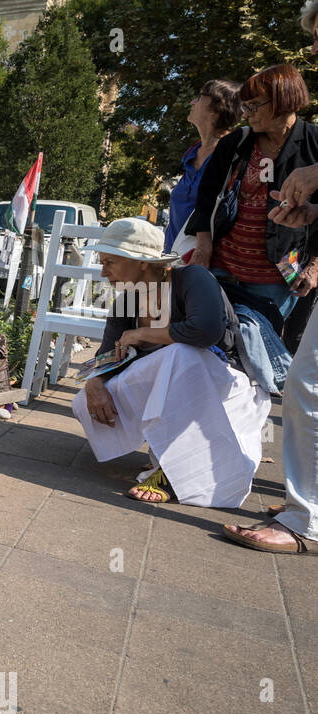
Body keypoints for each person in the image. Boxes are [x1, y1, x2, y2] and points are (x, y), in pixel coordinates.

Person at [74, 218, 271, 508]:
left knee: (182, 354)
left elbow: (205, 331)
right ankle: (165, 447)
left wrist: (142, 333)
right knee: (83, 400)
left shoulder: (191, 278)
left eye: (110, 262)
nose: (104, 273)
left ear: (141, 261)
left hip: (225, 382)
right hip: (173, 382)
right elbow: (108, 356)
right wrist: (94, 382)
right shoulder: (127, 300)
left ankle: (175, 472)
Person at [222, 6, 318, 555]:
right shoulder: (240, 146)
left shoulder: (310, 143)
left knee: (303, 383)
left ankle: (305, 520)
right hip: (236, 265)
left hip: (276, 279)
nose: (311, 51)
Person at [185, 65, 318, 342]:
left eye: (254, 105)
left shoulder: (314, 143)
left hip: (283, 269)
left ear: (283, 100)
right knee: (211, 343)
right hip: (222, 266)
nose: (246, 114)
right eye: (244, 106)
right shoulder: (238, 142)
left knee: (258, 349)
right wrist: (203, 246)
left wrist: (315, 265)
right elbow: (207, 196)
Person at [165, 80, 242, 254]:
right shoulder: (191, 153)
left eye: (199, 98)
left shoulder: (234, 157)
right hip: (173, 258)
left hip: (208, 264)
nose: (192, 102)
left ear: (216, 109)